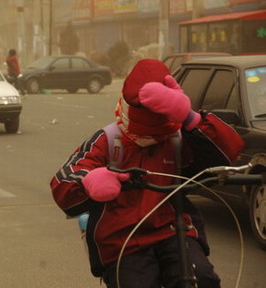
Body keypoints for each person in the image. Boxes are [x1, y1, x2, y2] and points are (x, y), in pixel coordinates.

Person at [50, 59, 244, 288]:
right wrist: (89, 181)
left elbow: (228, 153)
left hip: (174, 229)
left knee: (202, 278)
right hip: (122, 238)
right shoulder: (108, 139)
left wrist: (191, 118)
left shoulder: (180, 136)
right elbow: (63, 180)